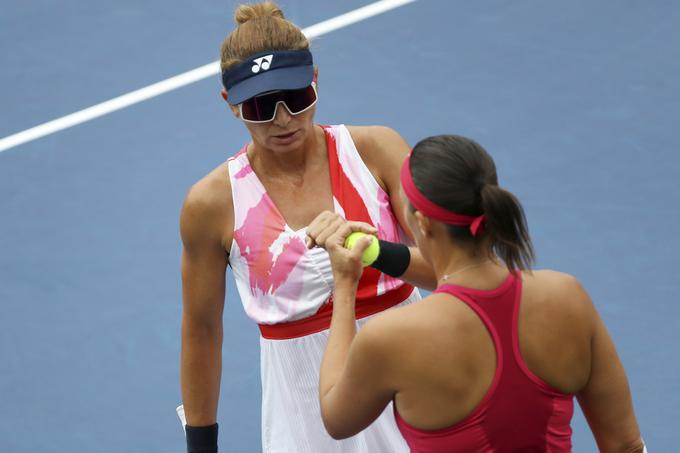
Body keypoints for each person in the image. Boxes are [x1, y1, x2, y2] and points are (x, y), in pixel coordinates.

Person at [178, 2, 438, 452]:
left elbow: (449, 273)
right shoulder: (211, 203)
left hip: (416, 386)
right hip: (305, 419)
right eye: (261, 106)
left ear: (315, 81)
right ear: (231, 104)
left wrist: (372, 251)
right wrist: (201, 447)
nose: (283, 119)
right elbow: (202, 331)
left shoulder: (377, 150)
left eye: (296, 98)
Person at [310, 135, 645, 452]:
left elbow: (335, 417)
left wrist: (345, 283)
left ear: (423, 224)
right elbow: (626, 446)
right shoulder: (567, 296)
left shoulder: (392, 337)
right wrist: (378, 253)